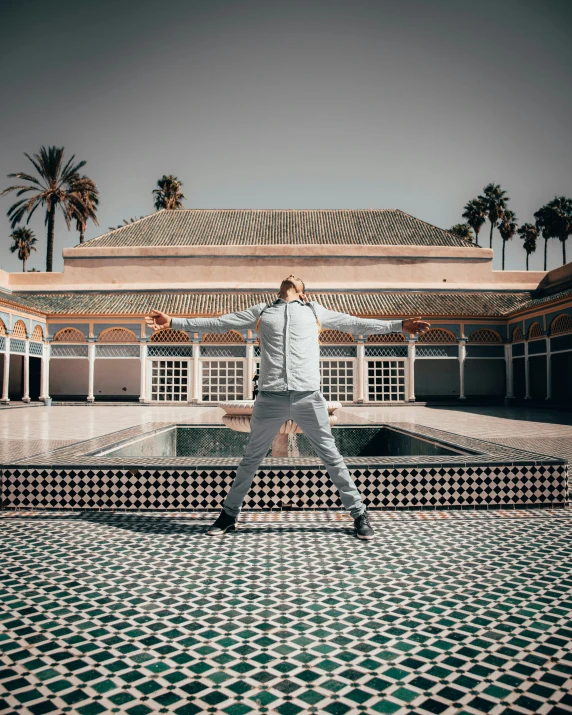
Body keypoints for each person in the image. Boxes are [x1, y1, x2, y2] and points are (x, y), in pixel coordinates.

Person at [145, 275, 430, 540]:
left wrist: (397, 325)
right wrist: (173, 322)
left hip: (309, 397)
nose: (290, 274)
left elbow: (355, 323)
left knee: (332, 457)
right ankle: (228, 515)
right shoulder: (261, 310)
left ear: (303, 291)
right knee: (251, 460)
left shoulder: (315, 311)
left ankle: (359, 514)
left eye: (296, 277)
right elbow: (219, 322)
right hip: (270, 398)